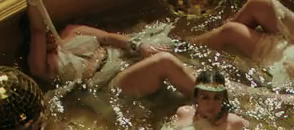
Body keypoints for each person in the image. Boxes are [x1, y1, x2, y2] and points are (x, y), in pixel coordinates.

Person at [23, 0, 194, 98]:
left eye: (49, 31)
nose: (49, 36)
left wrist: (139, 46)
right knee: (164, 61)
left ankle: (199, 82)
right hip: (110, 81)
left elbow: (108, 37)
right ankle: (206, 100)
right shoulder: (43, 67)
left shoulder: (72, 31)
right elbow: (37, 30)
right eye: (43, 38)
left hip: (121, 55)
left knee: (168, 41)